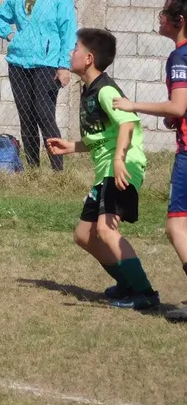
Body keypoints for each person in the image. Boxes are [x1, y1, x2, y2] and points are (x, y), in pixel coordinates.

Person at [45, 28, 158, 310]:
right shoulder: (89, 90)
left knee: (107, 231)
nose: (71, 53)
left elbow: (127, 123)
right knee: (84, 236)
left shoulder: (106, 90)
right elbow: (103, 135)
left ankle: (145, 293)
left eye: (75, 49)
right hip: (107, 168)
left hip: (121, 167)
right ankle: (127, 284)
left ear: (89, 58)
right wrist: (72, 146)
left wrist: (119, 160)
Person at [113, 0, 187, 321]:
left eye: (165, 10)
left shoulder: (180, 57)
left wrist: (133, 104)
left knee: (177, 227)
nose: (159, 15)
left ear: (179, 19)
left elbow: (177, 105)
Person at [0, 0, 77, 171]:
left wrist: (64, 65)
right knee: (26, 116)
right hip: (18, 63)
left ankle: (58, 170)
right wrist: (10, 35)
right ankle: (32, 169)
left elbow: (68, 32)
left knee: (44, 114)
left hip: (47, 63)